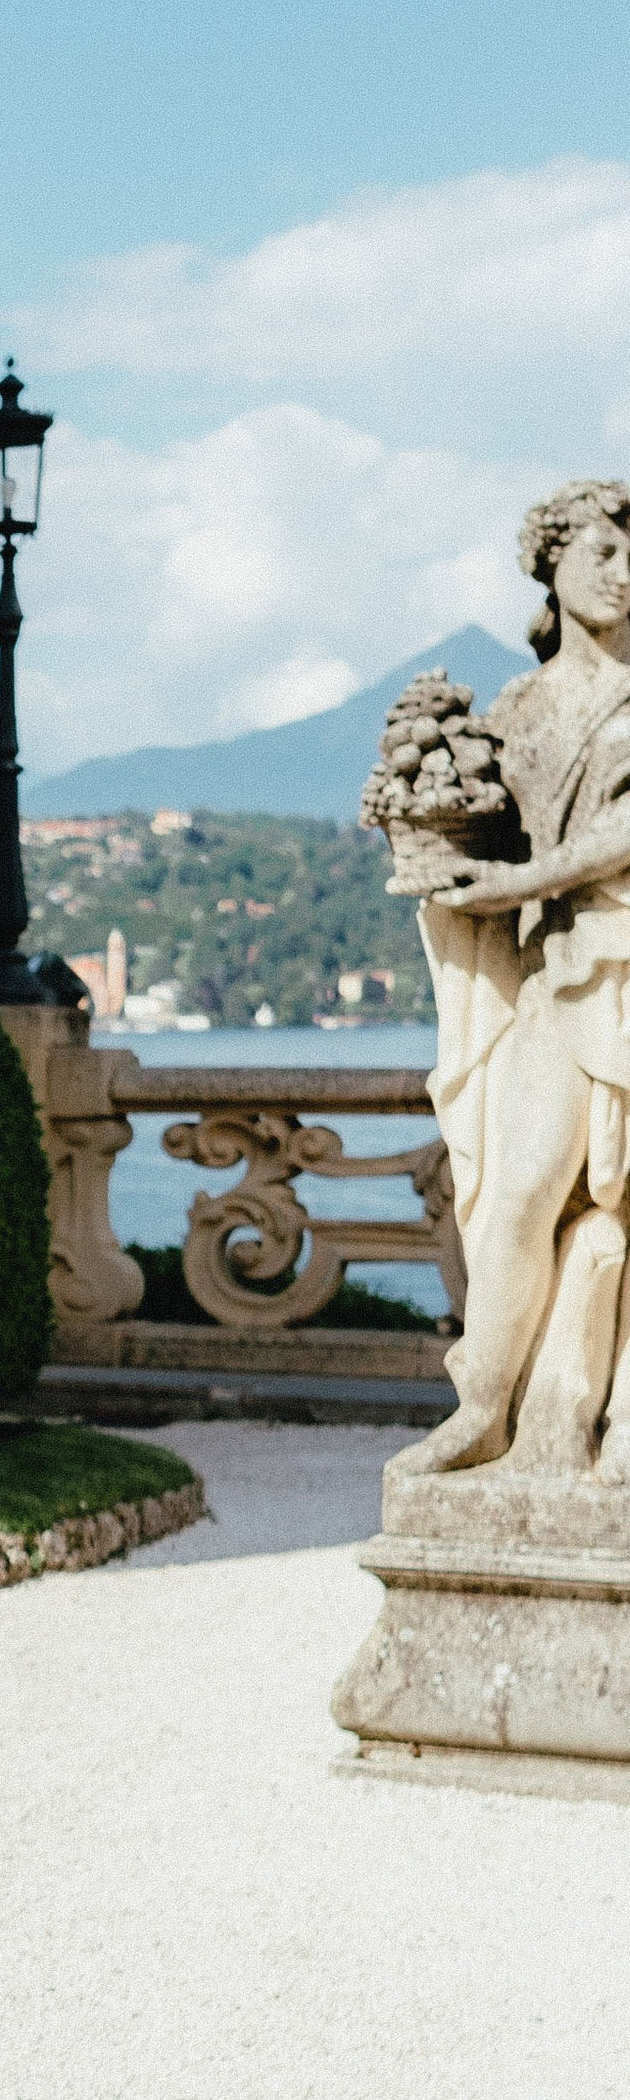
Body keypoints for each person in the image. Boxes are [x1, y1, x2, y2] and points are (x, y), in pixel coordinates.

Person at [416, 479, 630, 1475]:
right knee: (517, 1195)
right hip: (551, 969)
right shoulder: (518, 706)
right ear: (551, 562)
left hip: (620, 958)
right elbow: (481, 824)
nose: (624, 576)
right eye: (603, 554)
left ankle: (608, 1416)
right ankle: (482, 1406)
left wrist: (518, 880)